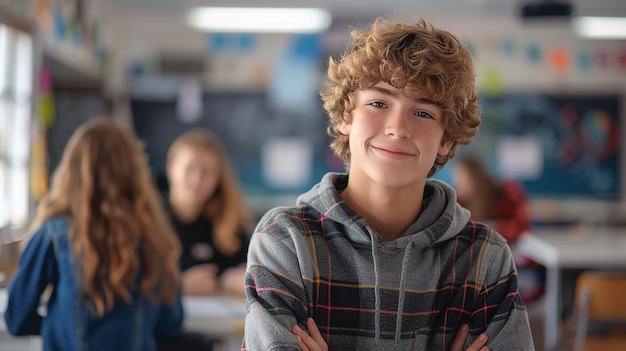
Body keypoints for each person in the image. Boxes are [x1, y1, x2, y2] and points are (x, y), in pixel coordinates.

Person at [243, 16, 534, 351]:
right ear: (344, 118)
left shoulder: (485, 257)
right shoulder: (285, 241)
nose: (398, 128)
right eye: (378, 103)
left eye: (423, 113)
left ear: (447, 139)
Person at [3, 118, 193, 350]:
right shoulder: (154, 237)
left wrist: (61, 323)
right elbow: (171, 324)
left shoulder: (54, 235)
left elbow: (17, 320)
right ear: (134, 173)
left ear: (70, 171)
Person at [165, 128, 253, 296]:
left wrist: (239, 279)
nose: (197, 179)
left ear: (218, 178)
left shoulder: (227, 222)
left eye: (206, 172)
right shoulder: (147, 219)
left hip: (217, 318)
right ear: (171, 168)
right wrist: (178, 286)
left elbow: (241, 271)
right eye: (189, 169)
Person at [453, 154, 544, 305]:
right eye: (457, 178)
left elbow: (522, 229)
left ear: (476, 177)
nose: (459, 183)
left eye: (463, 177)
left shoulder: (508, 193)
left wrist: (487, 231)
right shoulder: (459, 201)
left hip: (513, 259)